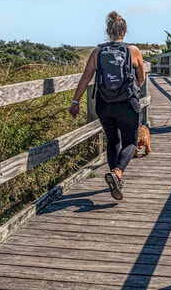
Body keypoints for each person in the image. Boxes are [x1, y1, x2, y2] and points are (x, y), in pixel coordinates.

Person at [69, 11, 145, 200]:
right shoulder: (133, 51)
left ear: (107, 31)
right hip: (127, 103)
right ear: (125, 32)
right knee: (131, 141)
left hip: (104, 103)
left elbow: (86, 77)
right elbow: (141, 78)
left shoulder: (98, 52)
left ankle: (115, 179)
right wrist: (135, 87)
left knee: (112, 141)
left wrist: (75, 101)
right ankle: (118, 172)